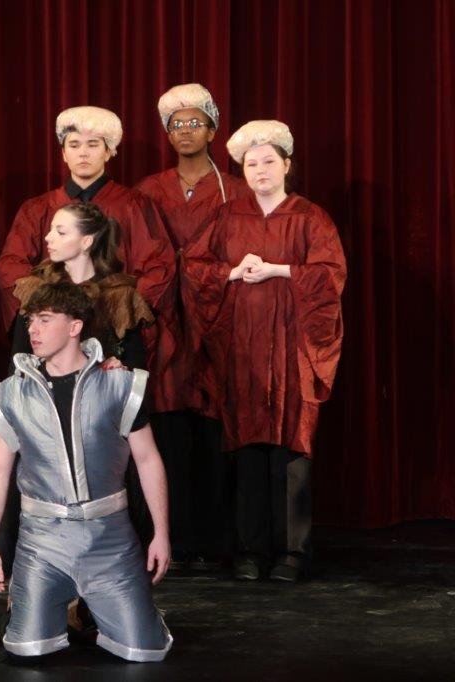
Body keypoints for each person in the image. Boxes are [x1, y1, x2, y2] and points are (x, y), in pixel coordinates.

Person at [0, 201, 153, 650]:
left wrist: (114, 367)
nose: (48, 238)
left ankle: (128, 600)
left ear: (86, 240)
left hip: (99, 411)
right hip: (41, 404)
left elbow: (133, 356)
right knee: (19, 499)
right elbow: (19, 354)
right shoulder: (37, 290)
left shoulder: (119, 292)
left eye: (60, 230)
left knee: (117, 499)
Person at [182, 120, 346, 582]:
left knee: (291, 449)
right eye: (251, 164)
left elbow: (330, 276)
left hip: (292, 350)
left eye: (268, 161)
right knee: (249, 449)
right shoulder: (227, 217)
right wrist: (232, 273)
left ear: (287, 164)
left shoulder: (310, 217)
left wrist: (277, 269)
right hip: (244, 350)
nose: (259, 170)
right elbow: (195, 267)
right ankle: (252, 550)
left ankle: (294, 553)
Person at [0, 282, 172, 661]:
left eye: (44, 320)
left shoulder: (118, 383)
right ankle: (48, 608)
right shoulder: (13, 393)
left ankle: (115, 612)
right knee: (27, 649)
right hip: (42, 542)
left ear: (74, 326)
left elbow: (148, 460)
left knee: (144, 651)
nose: (32, 329)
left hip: (109, 539)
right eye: (31, 320)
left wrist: (161, 533)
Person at [134, 84, 250, 570]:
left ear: (212, 128)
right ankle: (169, 540)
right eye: (176, 124)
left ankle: (215, 540)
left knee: (213, 429)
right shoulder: (147, 190)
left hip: (217, 321)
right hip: (163, 324)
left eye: (194, 122)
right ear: (166, 132)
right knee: (167, 430)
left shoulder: (235, 190)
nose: (185, 131)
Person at [0, 106, 175, 334]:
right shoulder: (37, 209)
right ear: (63, 153)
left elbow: (159, 266)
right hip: (52, 325)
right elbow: (10, 265)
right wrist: (53, 300)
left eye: (93, 145)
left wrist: (120, 303)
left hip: (113, 324)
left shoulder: (134, 205)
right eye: (74, 144)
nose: (83, 153)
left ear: (108, 151)